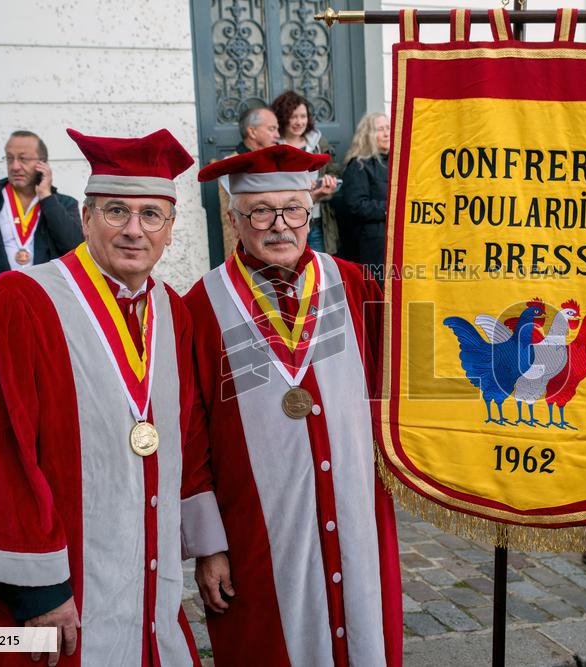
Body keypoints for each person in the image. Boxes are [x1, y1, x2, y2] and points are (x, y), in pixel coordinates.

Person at [0, 128, 201, 667]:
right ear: (84, 216)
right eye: (116, 211)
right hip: (55, 590)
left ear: (170, 230)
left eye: (152, 215)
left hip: (144, 579)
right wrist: (40, 590)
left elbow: (183, 438)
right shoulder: (17, 303)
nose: (133, 230)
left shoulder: (173, 312)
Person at [181, 144, 402, 666]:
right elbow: (190, 434)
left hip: (357, 512)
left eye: (294, 209)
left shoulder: (352, 283)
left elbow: (394, 385)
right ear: (235, 220)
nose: (280, 225)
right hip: (257, 527)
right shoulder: (200, 305)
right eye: (261, 211)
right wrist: (209, 545)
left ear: (312, 212)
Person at [0, 130, 82, 346]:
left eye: (24, 158)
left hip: (46, 313)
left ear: (42, 164)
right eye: (10, 158)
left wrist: (46, 196)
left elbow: (74, 247)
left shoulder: (63, 204)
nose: (15, 166)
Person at [270, 91, 339, 253]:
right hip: (285, 224)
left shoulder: (319, 144)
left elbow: (333, 172)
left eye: (303, 116)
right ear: (281, 117)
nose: (299, 122)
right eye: (293, 117)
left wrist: (326, 186)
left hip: (316, 221)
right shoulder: (273, 147)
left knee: (318, 271)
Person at [217, 107, 282, 260]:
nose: (278, 135)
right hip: (245, 249)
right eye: (272, 129)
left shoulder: (275, 161)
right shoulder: (231, 165)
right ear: (252, 132)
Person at [337, 112, 390, 272]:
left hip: (397, 240)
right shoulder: (358, 166)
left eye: (388, 128)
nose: (387, 133)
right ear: (368, 135)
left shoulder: (397, 162)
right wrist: (391, 208)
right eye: (380, 129)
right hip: (373, 244)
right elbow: (357, 206)